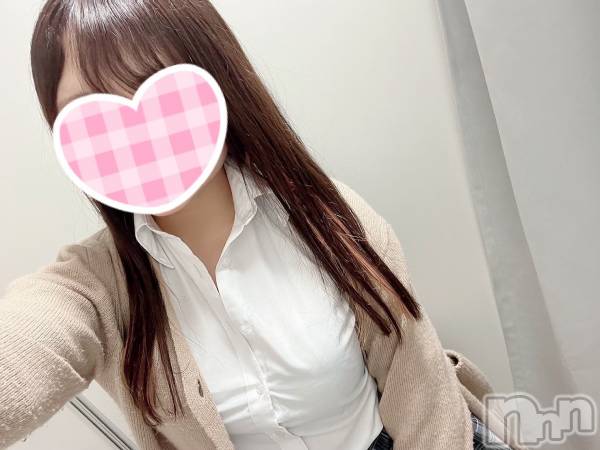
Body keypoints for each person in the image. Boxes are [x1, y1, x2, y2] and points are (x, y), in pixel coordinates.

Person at [0, 1, 524, 449]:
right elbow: (30, 341)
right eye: (93, 115)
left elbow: (425, 396)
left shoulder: (327, 218)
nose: (136, 135)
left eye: (153, 87)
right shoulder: (95, 287)